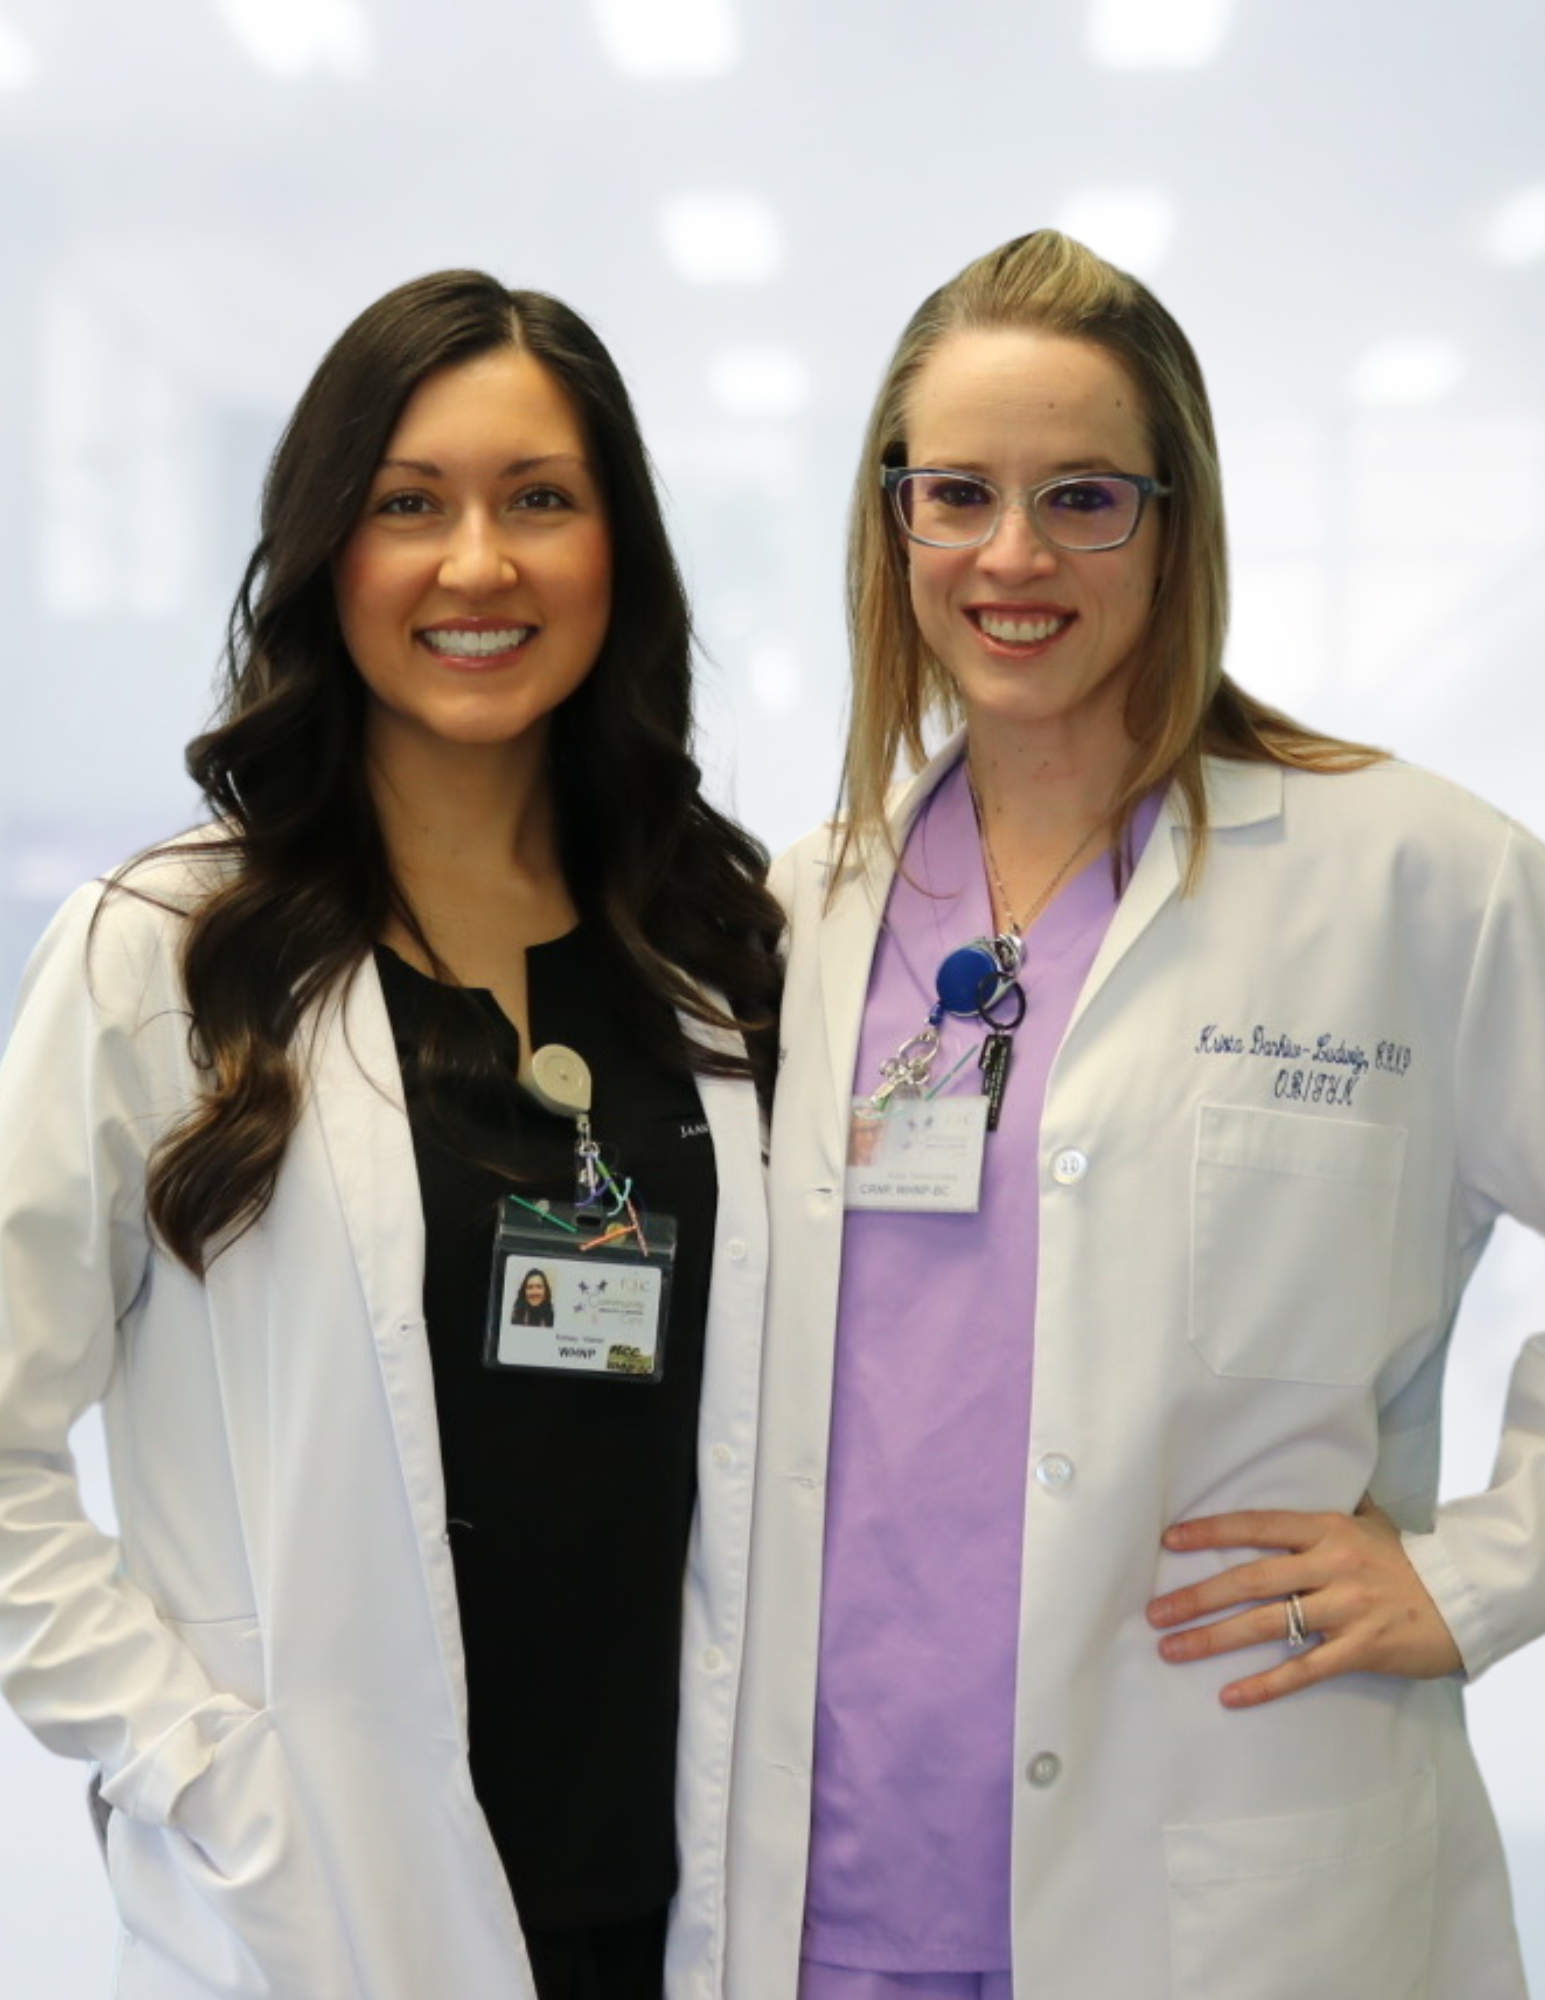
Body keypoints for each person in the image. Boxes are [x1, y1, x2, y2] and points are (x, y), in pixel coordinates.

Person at [725, 229, 1545, 2000]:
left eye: (1085, 498)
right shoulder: (803, 914)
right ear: (896, 525)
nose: (1014, 556)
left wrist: (1488, 1569)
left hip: (1236, 1877)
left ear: (1176, 526)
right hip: (835, 1888)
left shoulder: (1412, 876)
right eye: (959, 494)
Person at [0, 271, 781, 2000]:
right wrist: (191, 1760)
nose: (477, 564)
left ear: (618, 557)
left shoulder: (720, 960)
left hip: (676, 1892)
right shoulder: (167, 953)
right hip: (314, 1896)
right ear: (321, 552)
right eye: (408, 503)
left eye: (541, 501)